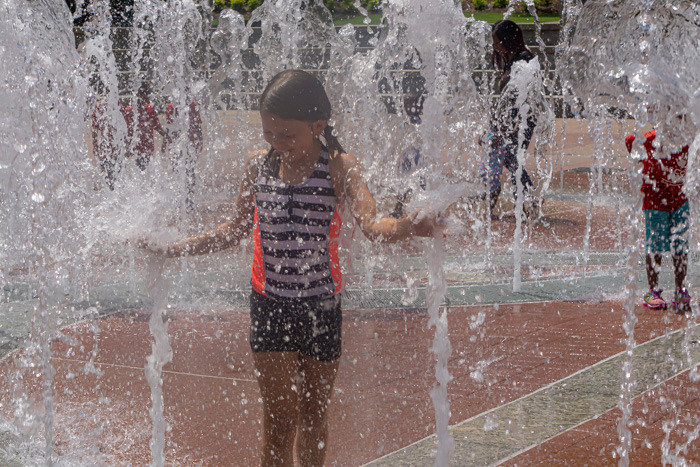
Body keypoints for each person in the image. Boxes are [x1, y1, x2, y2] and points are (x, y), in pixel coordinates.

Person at [143, 70, 439, 466]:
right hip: (270, 304)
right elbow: (232, 231)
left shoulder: (339, 166)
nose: (277, 144)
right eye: (269, 134)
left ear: (318, 126)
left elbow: (371, 224)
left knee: (314, 416)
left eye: (287, 135)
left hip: (321, 308)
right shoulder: (258, 166)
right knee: (280, 419)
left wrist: (407, 227)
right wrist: (171, 248)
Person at [482, 19, 545, 216]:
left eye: (497, 41)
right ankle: (527, 201)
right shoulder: (510, 59)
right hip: (508, 122)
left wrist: (517, 124)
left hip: (522, 121)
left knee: (512, 159)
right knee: (510, 159)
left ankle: (528, 201)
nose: (495, 46)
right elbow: (506, 99)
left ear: (507, 39)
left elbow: (529, 94)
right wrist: (494, 127)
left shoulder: (524, 58)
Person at [625, 127, 692, 312]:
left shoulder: (689, 136)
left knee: (681, 244)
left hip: (680, 197)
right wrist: (643, 164)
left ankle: (680, 289)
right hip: (655, 198)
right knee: (655, 245)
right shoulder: (652, 138)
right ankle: (652, 291)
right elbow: (630, 141)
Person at [164, 98, 203, 211]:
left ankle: (184, 199)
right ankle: (185, 199)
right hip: (186, 143)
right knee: (188, 172)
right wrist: (201, 140)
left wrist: (165, 144)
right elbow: (197, 125)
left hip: (180, 143)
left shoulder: (172, 106)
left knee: (183, 171)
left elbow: (169, 127)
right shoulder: (189, 105)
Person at [391, 92, 426, 218]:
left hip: (415, 158)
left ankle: (420, 209)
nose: (407, 108)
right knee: (403, 185)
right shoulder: (407, 121)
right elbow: (401, 141)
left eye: (409, 105)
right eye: (406, 105)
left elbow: (419, 141)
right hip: (408, 157)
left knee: (419, 185)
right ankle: (399, 208)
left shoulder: (416, 121)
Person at [122, 81, 165, 170]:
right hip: (134, 151)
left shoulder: (150, 110)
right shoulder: (129, 111)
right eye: (141, 94)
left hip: (147, 150)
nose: (143, 96)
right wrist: (126, 148)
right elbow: (126, 132)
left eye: (145, 94)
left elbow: (157, 127)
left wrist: (167, 135)